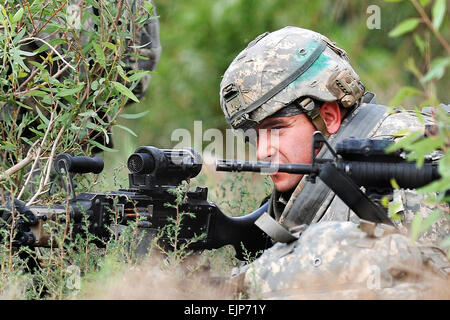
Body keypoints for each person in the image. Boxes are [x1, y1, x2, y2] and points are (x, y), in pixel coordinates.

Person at [218, 26, 449, 299]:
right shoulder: (310, 177)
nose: (262, 153)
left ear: (328, 116)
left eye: (277, 129)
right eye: (255, 136)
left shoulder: (405, 170)